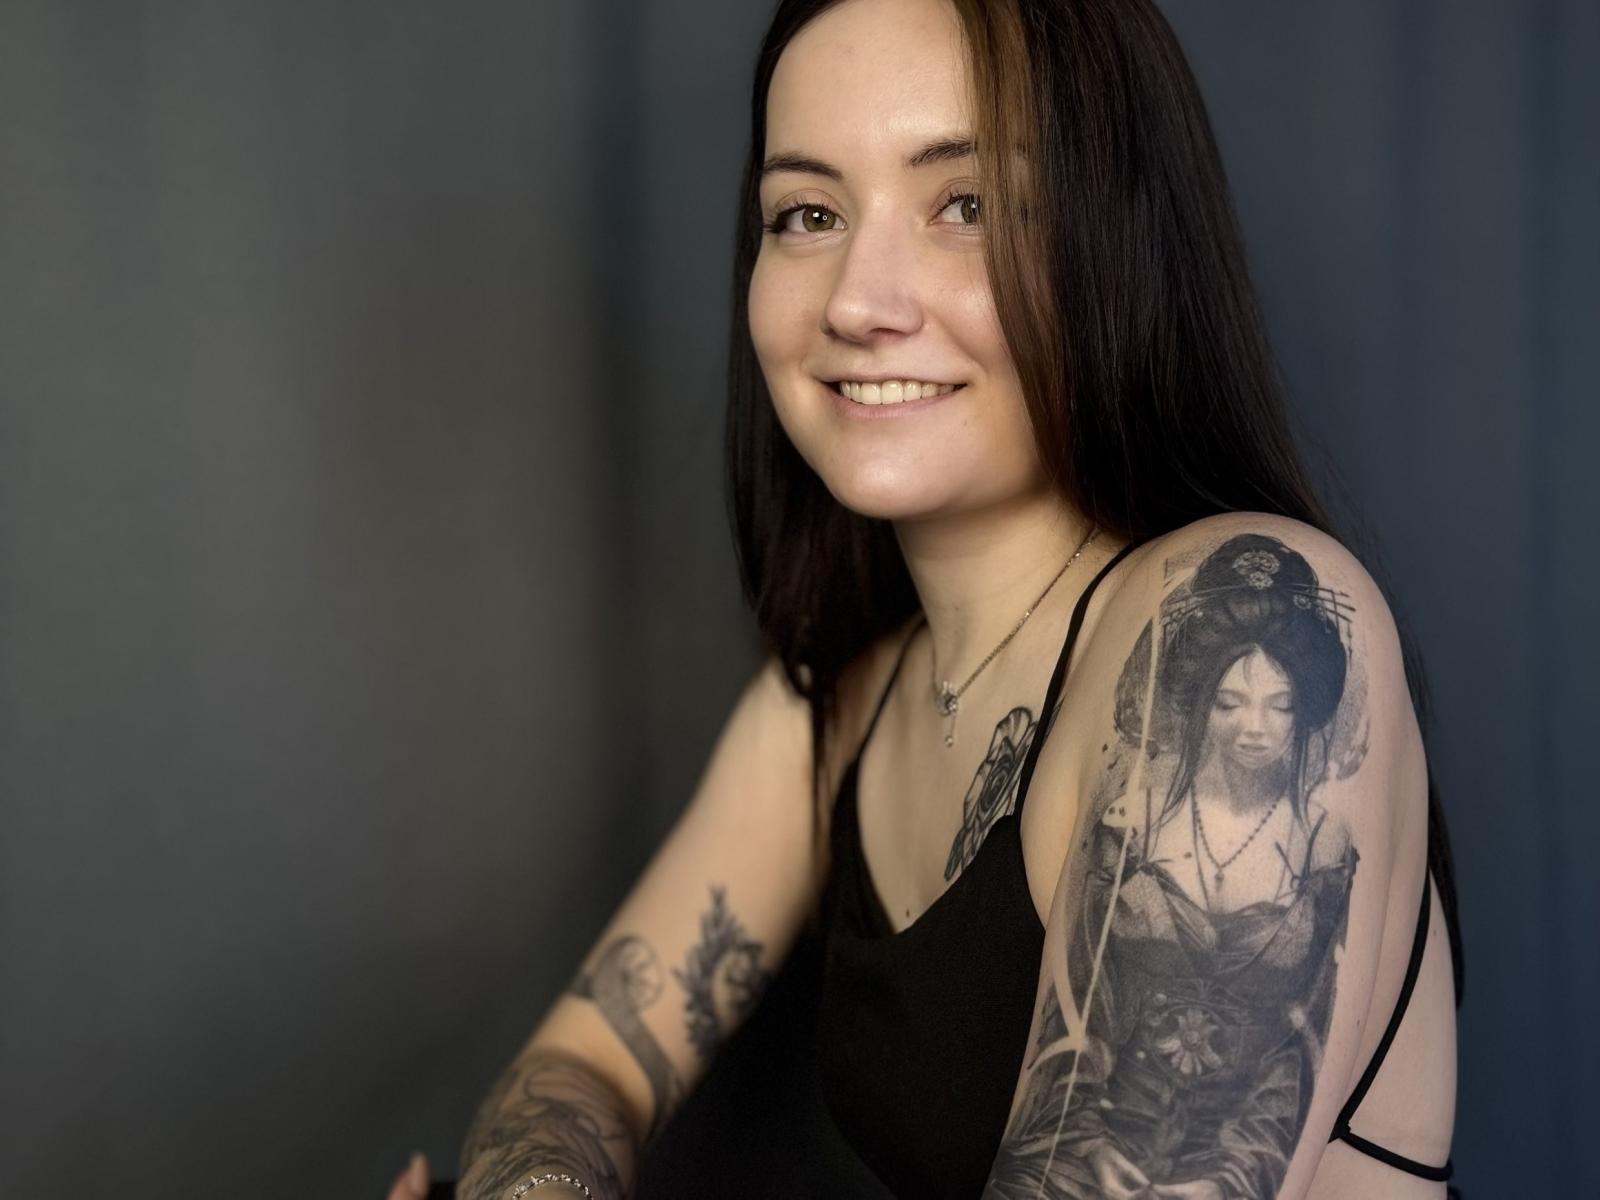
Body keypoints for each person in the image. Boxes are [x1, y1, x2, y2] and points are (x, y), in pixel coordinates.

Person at [388, 0, 1461, 1197]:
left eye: (969, 205)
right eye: (808, 214)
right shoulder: (834, 707)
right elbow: (583, 1065)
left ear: (1118, 238)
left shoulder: (1241, 623)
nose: (858, 301)